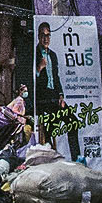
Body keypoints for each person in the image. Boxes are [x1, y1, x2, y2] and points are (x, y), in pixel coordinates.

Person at [34, 22, 79, 161]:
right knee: (49, 128)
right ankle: (49, 159)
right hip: (42, 99)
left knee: (73, 122)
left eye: (48, 35)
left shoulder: (52, 55)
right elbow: (30, 78)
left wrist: (61, 95)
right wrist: (39, 68)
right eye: (43, 35)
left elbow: (56, 76)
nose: (45, 39)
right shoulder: (34, 54)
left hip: (54, 97)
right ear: (38, 36)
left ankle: (77, 159)